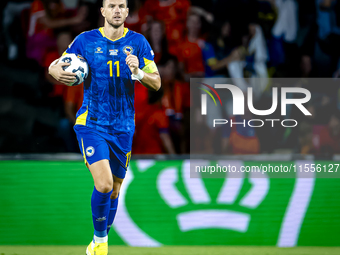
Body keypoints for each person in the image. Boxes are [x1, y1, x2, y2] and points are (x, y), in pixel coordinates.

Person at [48, 0, 161, 254]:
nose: (117, 10)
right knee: (104, 184)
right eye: (112, 6)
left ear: (128, 11)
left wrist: (139, 73)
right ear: (103, 11)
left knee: (115, 190)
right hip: (92, 124)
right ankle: (100, 243)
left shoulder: (139, 43)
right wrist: (53, 70)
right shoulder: (85, 41)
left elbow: (157, 83)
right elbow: (58, 64)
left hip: (123, 128)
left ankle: (97, 243)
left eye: (122, 6)